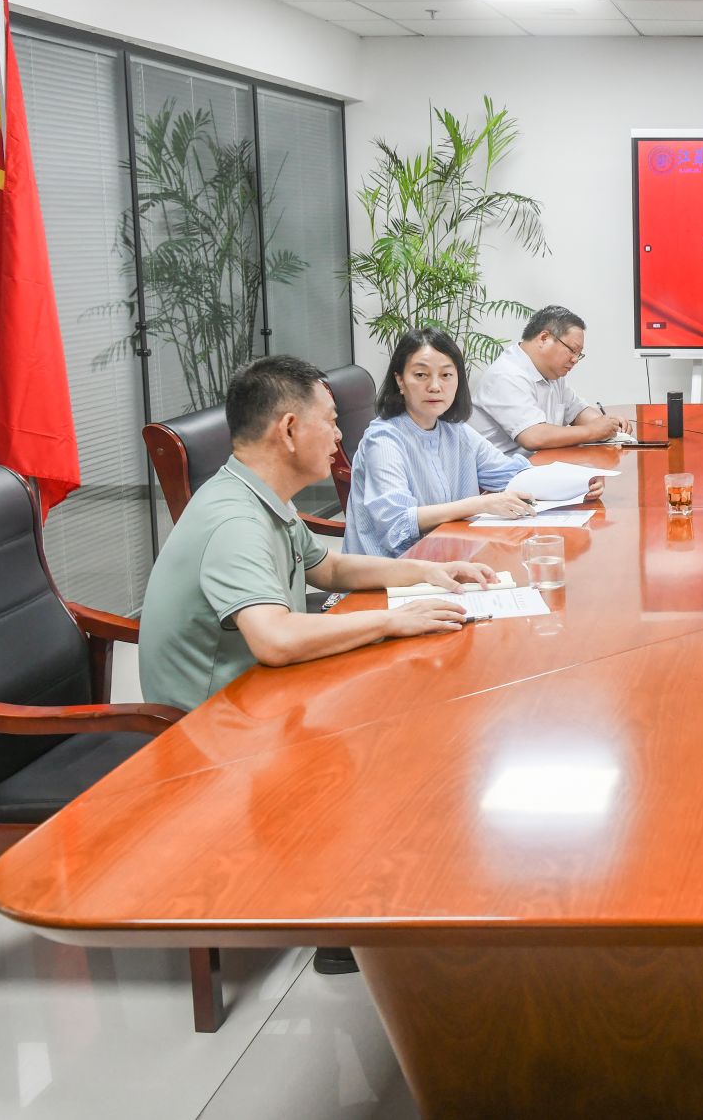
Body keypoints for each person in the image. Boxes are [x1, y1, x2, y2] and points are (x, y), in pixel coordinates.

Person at [140, 356, 501, 973]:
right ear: (288, 430)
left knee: (412, 705)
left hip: (260, 692)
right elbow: (275, 639)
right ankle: (348, 919)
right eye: (331, 422)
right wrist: (391, 620)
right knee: (398, 736)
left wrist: (428, 571)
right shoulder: (234, 520)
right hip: (211, 724)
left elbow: (326, 568)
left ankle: (384, 898)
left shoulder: (260, 494)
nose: (340, 436)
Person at [345, 329, 606, 560]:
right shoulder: (384, 439)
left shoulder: (456, 431)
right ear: (400, 380)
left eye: (446, 375)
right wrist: (481, 504)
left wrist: (577, 482)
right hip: (387, 578)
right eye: (421, 375)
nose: (435, 386)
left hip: (446, 561)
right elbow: (398, 523)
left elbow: (512, 475)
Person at [470, 305, 629, 458]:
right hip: (504, 473)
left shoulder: (551, 373)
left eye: (579, 354)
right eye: (572, 350)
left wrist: (607, 424)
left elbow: (577, 411)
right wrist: (593, 431)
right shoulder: (506, 374)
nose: (575, 360)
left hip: (538, 464)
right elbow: (533, 436)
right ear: (544, 338)